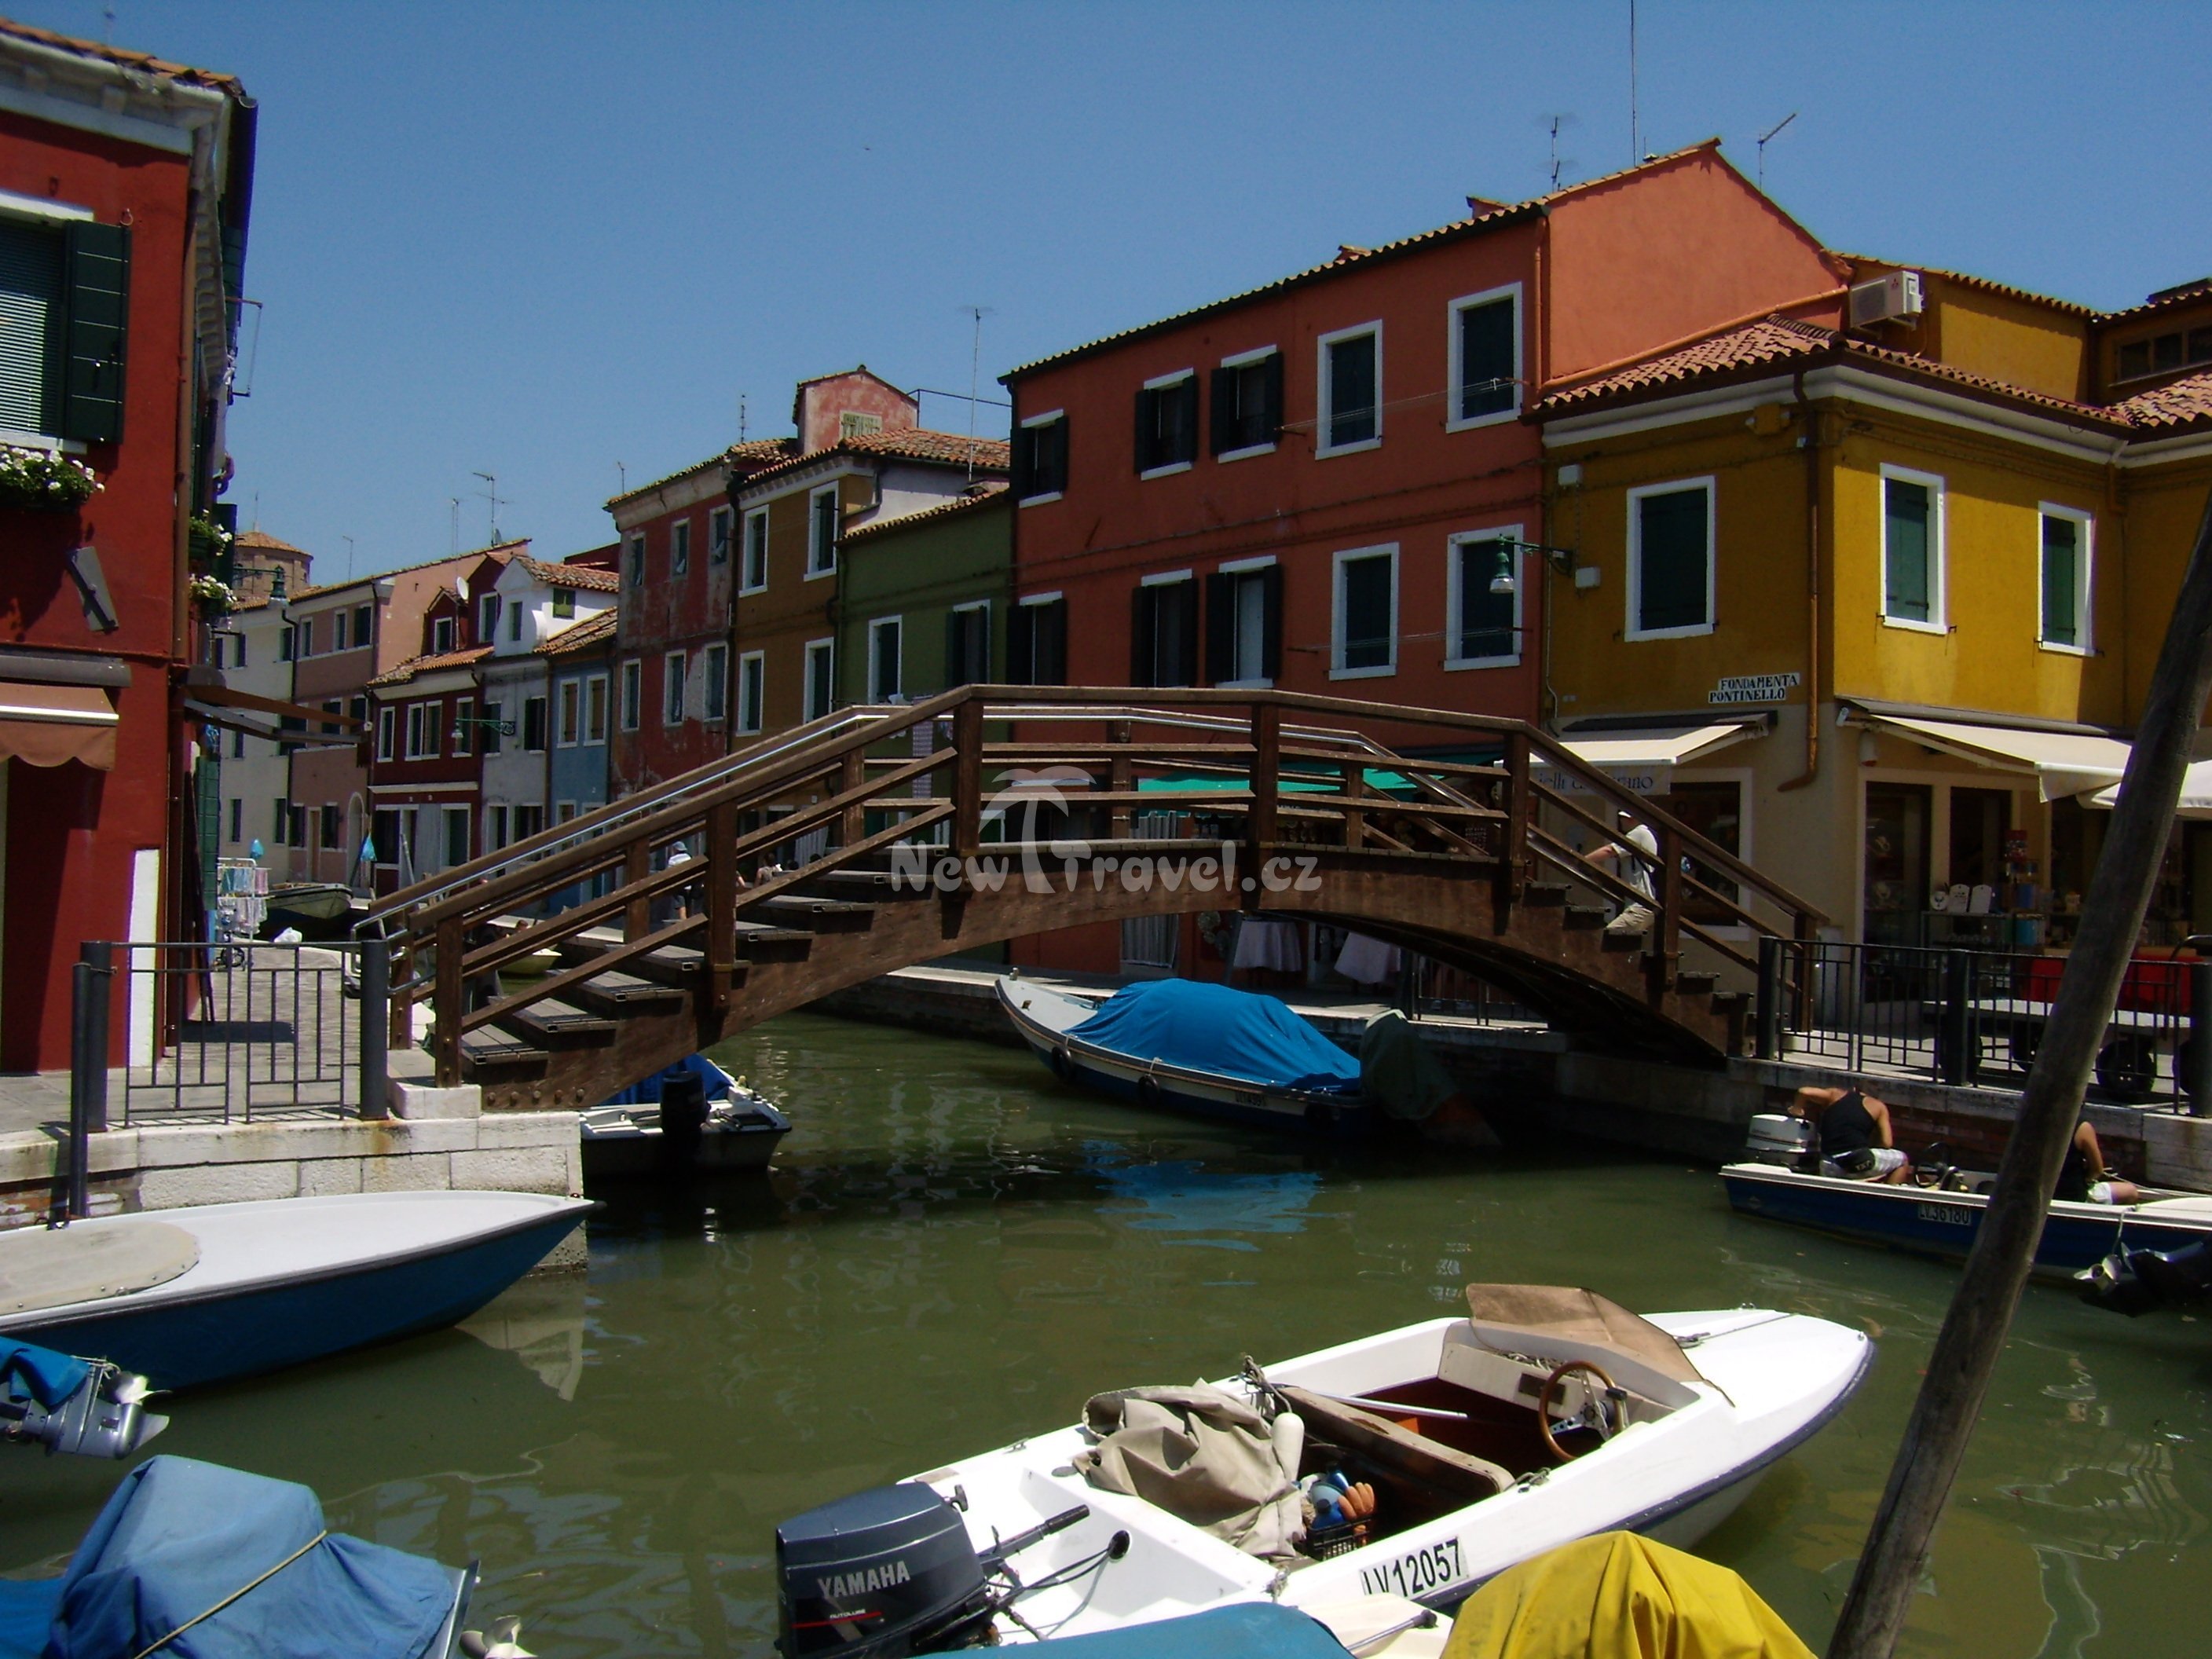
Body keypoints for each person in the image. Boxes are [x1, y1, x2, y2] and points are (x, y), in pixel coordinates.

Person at [1791, 1084, 1913, 1184]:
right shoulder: (1878, 1106)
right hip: (1858, 1161)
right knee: (1902, 1160)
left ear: (1854, 1089)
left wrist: (1797, 1109)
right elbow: (1886, 1143)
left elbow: (1804, 1091)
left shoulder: (1834, 1095)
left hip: (1829, 1164)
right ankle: (1887, 1197)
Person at [1585, 808, 1657, 939]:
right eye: (1622, 818)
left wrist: (1583, 860)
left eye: (1626, 818)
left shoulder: (1639, 833)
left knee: (1606, 939)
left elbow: (1609, 851)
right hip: (1643, 904)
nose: (1622, 821)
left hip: (1640, 906)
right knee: (1620, 944)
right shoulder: (1645, 834)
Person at [2056, 1119, 2138, 1205]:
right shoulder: (2082, 1128)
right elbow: (2097, 1170)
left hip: (2050, 1197)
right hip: (2075, 1199)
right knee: (2131, 1191)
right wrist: (2087, 1178)